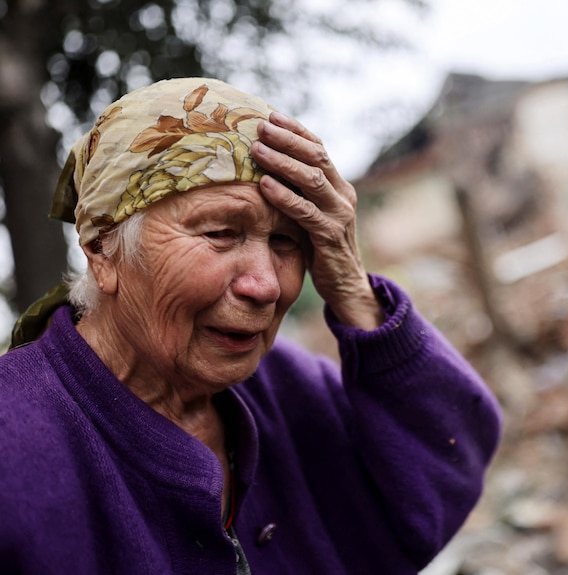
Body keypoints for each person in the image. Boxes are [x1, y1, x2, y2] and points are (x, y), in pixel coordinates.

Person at [0, 78, 502, 574]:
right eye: (220, 233)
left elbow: (447, 472)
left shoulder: (289, 388)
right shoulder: (16, 443)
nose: (265, 285)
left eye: (286, 242)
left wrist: (352, 291)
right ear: (103, 250)